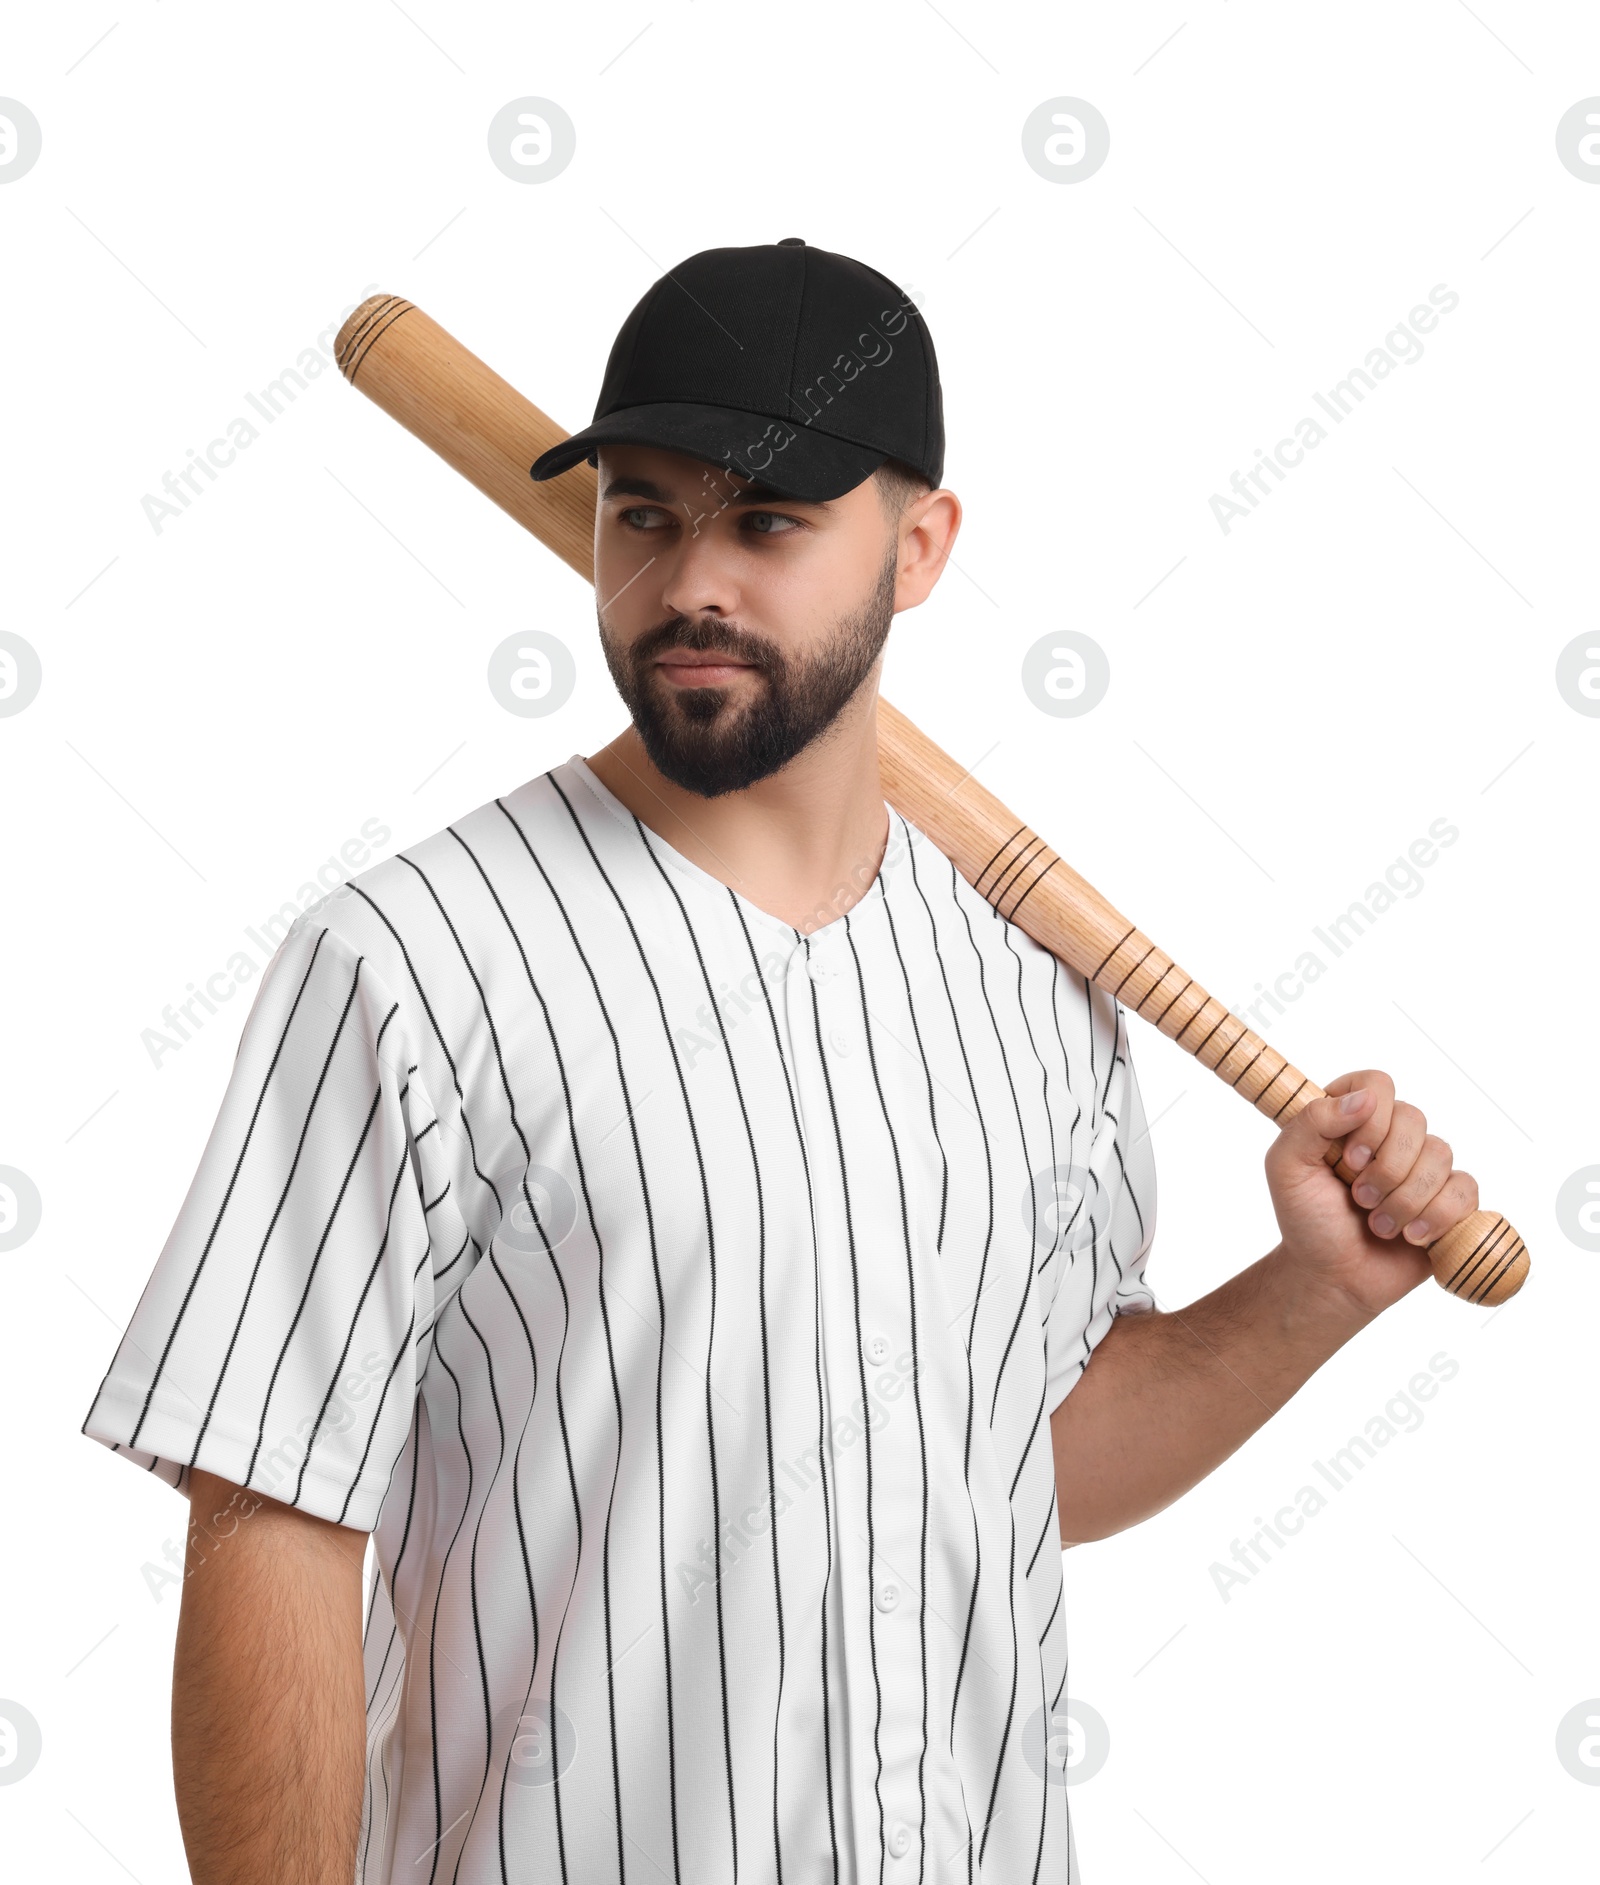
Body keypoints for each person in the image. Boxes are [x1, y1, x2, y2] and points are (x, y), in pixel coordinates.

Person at [82, 239, 1480, 1884]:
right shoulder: (411, 961)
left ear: (923, 546)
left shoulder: (1034, 985)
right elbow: (271, 1517)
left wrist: (1309, 1290)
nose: (689, 587)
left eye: (767, 521)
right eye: (646, 513)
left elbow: (1016, 1456)